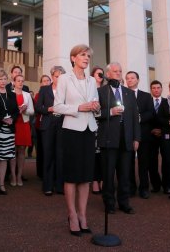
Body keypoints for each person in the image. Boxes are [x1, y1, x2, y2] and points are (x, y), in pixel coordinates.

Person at [53, 44, 99, 236]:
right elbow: (57, 107)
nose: (86, 58)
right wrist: (79, 108)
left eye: (88, 55)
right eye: (82, 55)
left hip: (89, 130)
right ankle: (72, 215)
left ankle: (83, 215)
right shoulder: (64, 78)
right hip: (71, 131)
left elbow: (97, 108)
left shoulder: (91, 81)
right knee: (72, 175)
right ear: (73, 58)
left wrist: (96, 108)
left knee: (86, 176)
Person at [96, 62, 140, 215]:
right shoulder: (101, 91)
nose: (118, 73)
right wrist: (110, 111)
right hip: (108, 137)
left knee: (125, 173)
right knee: (108, 174)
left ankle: (124, 202)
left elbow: (135, 117)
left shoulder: (128, 93)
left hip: (126, 138)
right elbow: (96, 113)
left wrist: (136, 138)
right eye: (115, 71)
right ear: (108, 74)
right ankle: (109, 203)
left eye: (120, 71)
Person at [126, 71, 157, 199]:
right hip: (128, 134)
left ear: (138, 80)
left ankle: (144, 188)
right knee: (129, 163)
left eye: (132, 78)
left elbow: (151, 113)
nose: (130, 80)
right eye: (127, 78)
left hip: (144, 134)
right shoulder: (123, 94)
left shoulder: (146, 96)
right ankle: (131, 188)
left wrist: (138, 118)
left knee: (144, 163)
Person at [36, 67, 65, 196]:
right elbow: (38, 107)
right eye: (57, 76)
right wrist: (49, 109)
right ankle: (47, 186)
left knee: (60, 155)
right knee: (48, 155)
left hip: (63, 124)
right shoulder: (44, 89)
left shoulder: (67, 90)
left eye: (61, 76)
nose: (59, 78)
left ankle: (60, 185)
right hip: (48, 124)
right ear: (52, 76)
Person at [10, 74, 34, 186]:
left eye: (22, 81)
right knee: (12, 150)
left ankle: (19, 176)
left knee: (21, 151)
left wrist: (24, 110)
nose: (20, 82)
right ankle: (13, 176)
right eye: (18, 80)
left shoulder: (27, 95)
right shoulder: (10, 93)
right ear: (13, 82)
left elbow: (32, 111)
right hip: (13, 124)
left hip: (24, 124)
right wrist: (17, 110)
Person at [34, 74, 51, 180]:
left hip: (51, 124)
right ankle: (40, 172)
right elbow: (38, 108)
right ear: (41, 83)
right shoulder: (38, 95)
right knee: (41, 149)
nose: (46, 82)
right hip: (40, 125)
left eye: (48, 80)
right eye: (44, 81)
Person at [90, 67, 105, 195]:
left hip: (104, 125)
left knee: (103, 153)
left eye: (102, 73)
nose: (100, 74)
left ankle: (103, 179)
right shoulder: (89, 88)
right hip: (92, 124)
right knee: (94, 154)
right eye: (97, 73)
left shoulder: (106, 89)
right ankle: (94, 180)